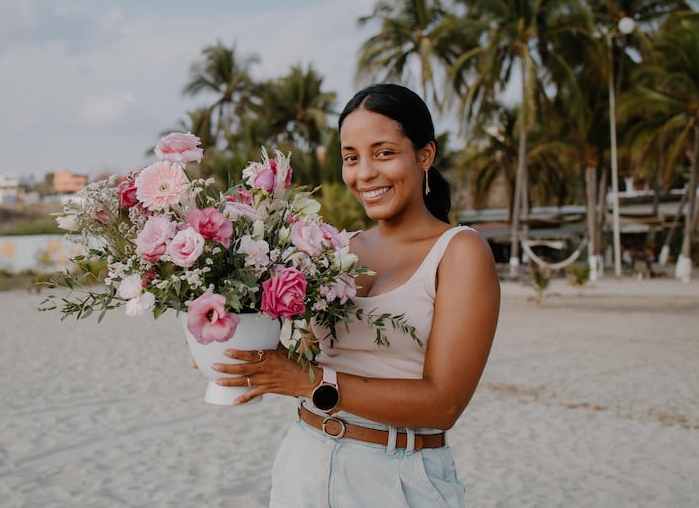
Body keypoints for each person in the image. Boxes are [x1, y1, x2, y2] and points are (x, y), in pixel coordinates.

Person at [212, 83, 500, 507]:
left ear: (425, 155)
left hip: (397, 473)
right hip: (304, 462)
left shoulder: (459, 252)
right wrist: (224, 331)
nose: (364, 173)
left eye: (383, 152)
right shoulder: (336, 249)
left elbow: (444, 403)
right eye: (351, 157)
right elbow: (301, 355)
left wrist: (309, 382)